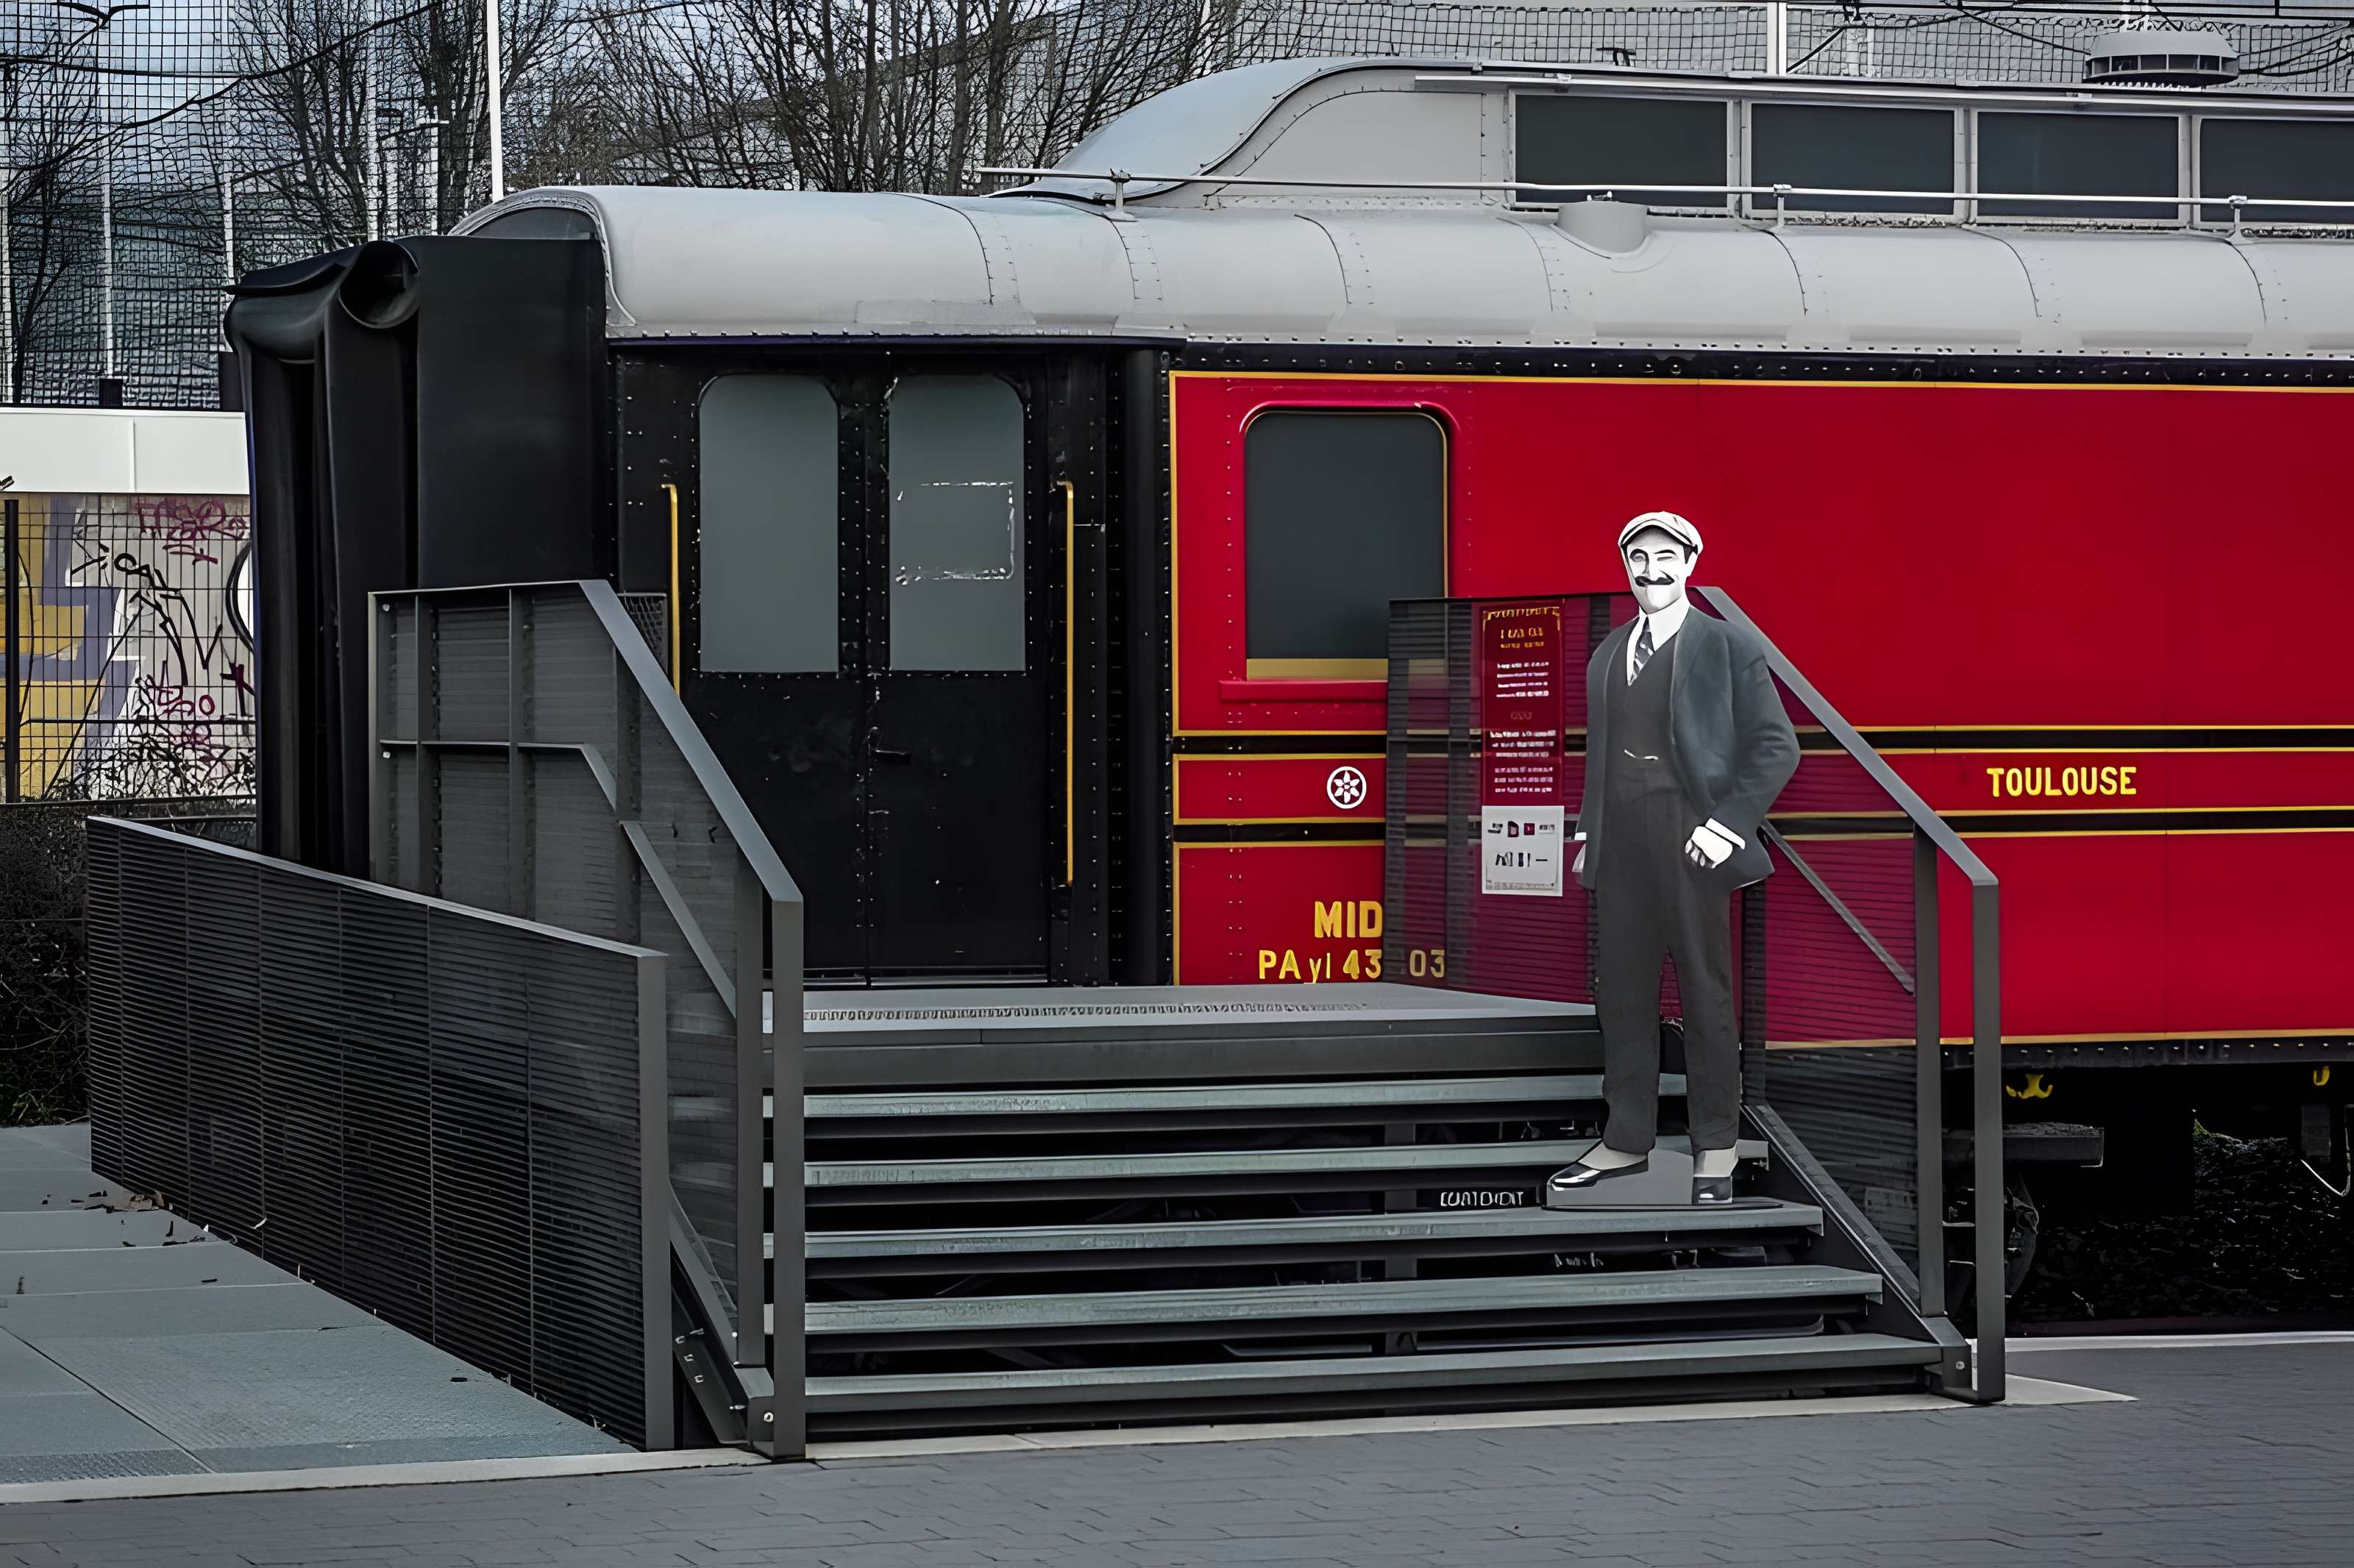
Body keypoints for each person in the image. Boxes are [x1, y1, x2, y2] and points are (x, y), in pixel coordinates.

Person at [1546, 511, 1799, 1206]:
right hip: (1622, 842)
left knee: (1704, 994)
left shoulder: (1726, 646)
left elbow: (1778, 747)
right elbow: (1600, 759)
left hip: (1693, 838)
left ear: (1691, 563)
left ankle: (1714, 1148)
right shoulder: (1608, 654)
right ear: (1625, 566)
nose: (1651, 571)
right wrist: (1592, 833)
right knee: (1622, 995)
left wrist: (1726, 826)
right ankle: (1626, 1140)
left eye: (1666, 557)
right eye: (1639, 558)